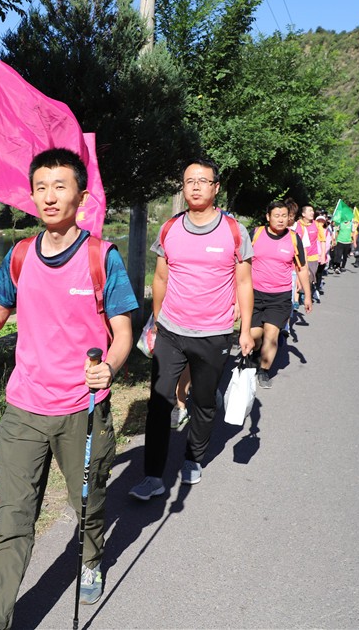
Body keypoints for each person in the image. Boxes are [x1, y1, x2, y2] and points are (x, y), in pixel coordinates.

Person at [0, 148, 138, 627]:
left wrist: (109, 368)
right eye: (41, 188)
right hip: (24, 410)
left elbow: (124, 330)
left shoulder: (100, 257)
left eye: (60, 186)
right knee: (12, 525)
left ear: (81, 196)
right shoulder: (20, 255)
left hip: (83, 409)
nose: (50, 197)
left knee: (89, 504)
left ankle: (91, 559)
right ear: (31, 196)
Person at [130, 158, 255, 500]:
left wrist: (244, 329)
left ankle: (193, 457)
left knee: (202, 402)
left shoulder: (233, 231)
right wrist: (155, 323)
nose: (195, 186)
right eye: (189, 181)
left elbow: (244, 282)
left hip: (214, 333)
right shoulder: (170, 228)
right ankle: (153, 475)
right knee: (159, 401)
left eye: (203, 180)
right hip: (170, 329)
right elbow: (160, 277)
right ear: (183, 188)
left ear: (216, 187)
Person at [249, 201, 312, 389]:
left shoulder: (293, 238)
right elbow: (241, 261)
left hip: (280, 296)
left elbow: (302, 268)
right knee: (255, 335)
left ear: (289, 218)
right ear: (268, 217)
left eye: (284, 216)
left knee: (271, 335)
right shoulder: (255, 234)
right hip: (254, 294)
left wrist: (306, 295)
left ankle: (264, 371)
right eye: (276, 215)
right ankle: (255, 353)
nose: (281, 219)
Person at [298, 205, 321, 303]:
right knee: (299, 275)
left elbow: (322, 240)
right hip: (299, 255)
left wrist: (323, 254)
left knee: (310, 276)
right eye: (310, 211)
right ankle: (298, 294)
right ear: (303, 214)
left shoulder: (316, 224)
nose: (312, 213)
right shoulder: (298, 224)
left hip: (312, 256)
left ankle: (304, 293)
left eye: (313, 211)